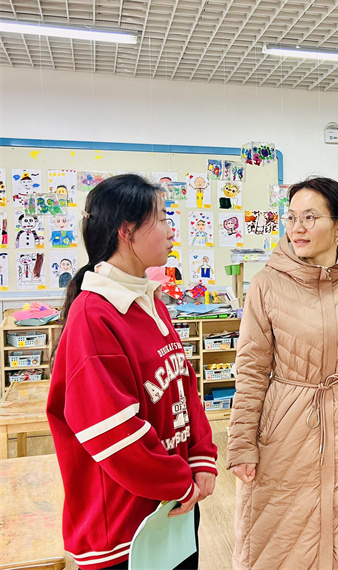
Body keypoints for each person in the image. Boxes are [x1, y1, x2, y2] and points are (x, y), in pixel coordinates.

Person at [227, 176, 338, 570]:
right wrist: (241, 444)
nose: (297, 228)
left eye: (310, 217)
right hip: (283, 427)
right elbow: (251, 370)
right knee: (280, 540)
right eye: (291, 218)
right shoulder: (266, 283)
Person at [47, 174, 218, 570]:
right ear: (127, 231)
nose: (171, 230)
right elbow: (113, 431)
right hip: (124, 528)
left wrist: (201, 457)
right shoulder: (94, 315)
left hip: (172, 507)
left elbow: (183, 387)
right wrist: (178, 481)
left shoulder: (149, 300)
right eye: (162, 218)